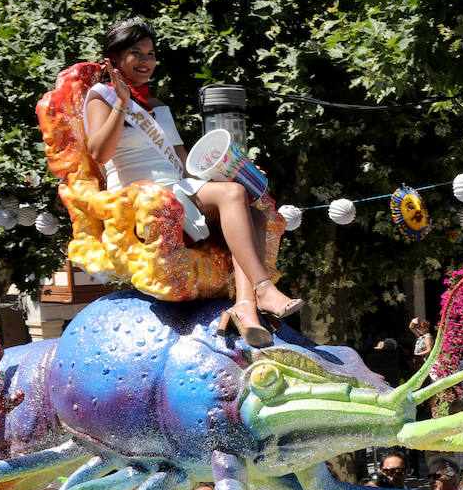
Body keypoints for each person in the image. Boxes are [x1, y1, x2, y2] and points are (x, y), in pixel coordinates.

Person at [84, 18, 302, 349]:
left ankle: (245, 307)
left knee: (252, 210)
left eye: (151, 53)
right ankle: (262, 287)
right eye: (136, 53)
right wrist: (122, 104)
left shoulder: (157, 107)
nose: (146, 61)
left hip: (179, 188)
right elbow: (100, 153)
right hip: (140, 194)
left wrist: (232, 167)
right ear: (113, 58)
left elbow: (185, 166)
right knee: (233, 195)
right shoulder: (100, 96)